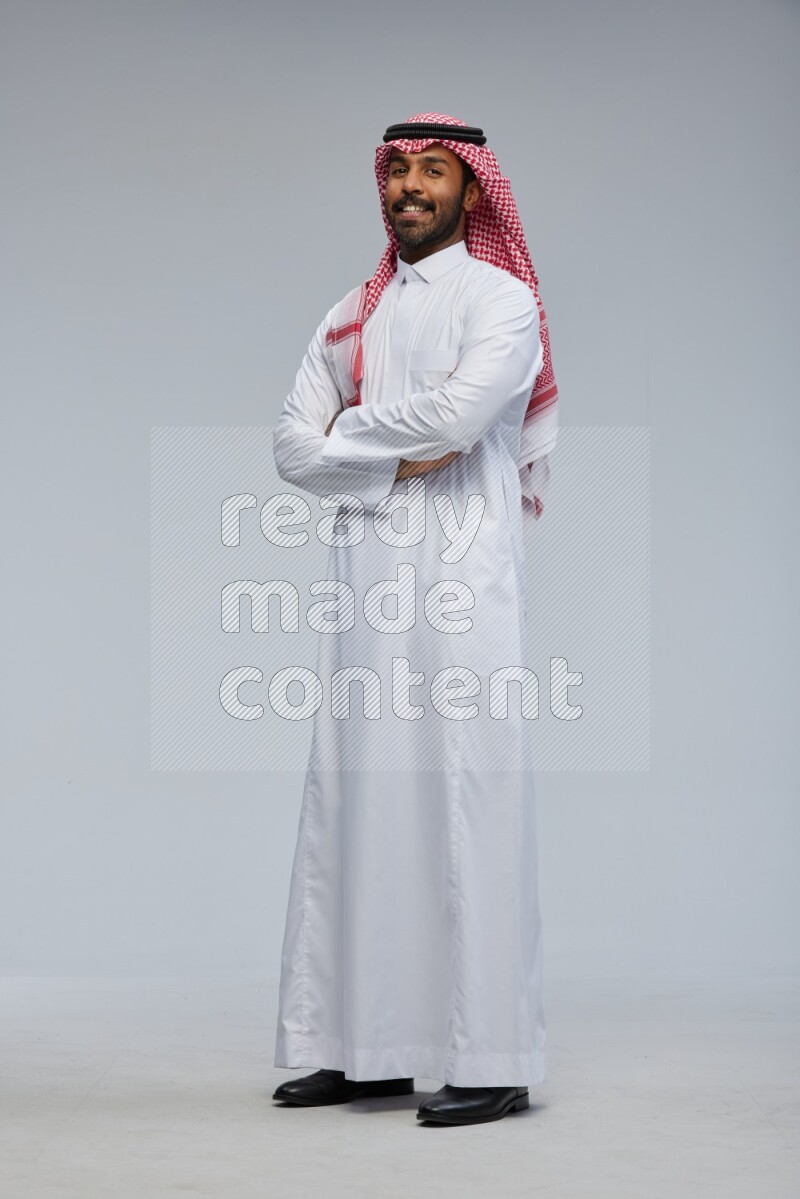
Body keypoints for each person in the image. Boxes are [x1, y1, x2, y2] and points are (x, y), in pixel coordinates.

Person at [270, 112, 558, 1126]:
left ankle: (491, 1055)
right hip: (364, 585)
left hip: (462, 576)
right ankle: (360, 1049)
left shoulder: (502, 299)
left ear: (472, 190)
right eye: (398, 170)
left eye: (434, 170)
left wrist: (346, 436)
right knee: (357, 798)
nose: (411, 187)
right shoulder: (351, 313)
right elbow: (289, 449)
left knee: (465, 794)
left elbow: (461, 417)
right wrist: (390, 453)